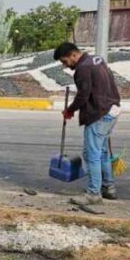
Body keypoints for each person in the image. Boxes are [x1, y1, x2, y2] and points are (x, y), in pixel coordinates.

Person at [53, 42, 122, 206]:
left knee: (92, 155)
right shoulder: (96, 59)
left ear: (73, 55)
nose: (65, 65)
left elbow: (83, 96)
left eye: (65, 61)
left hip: (99, 114)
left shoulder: (82, 68)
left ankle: (93, 193)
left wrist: (70, 110)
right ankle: (108, 187)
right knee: (102, 152)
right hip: (112, 109)